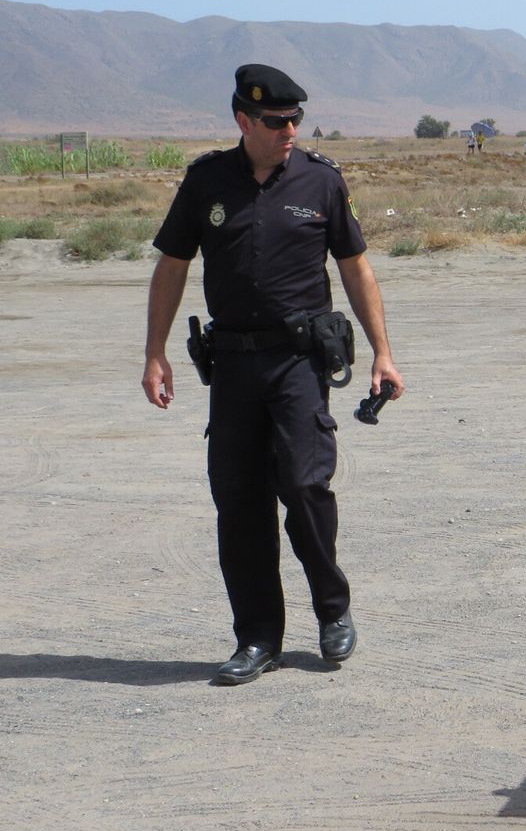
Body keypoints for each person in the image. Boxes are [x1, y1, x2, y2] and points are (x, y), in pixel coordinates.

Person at [141, 64, 405, 686]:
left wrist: (382, 353)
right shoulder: (206, 181)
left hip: (297, 361)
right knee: (238, 501)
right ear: (243, 121)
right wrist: (155, 352)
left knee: (305, 483)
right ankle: (258, 638)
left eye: (295, 120)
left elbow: (356, 268)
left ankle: (332, 611)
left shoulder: (320, 180)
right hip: (232, 364)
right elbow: (172, 266)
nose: (289, 129)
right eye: (275, 121)